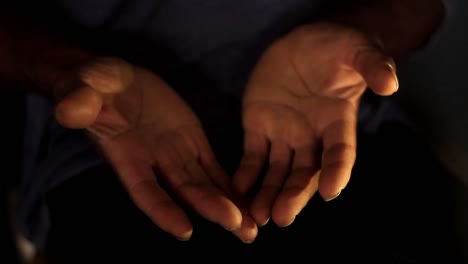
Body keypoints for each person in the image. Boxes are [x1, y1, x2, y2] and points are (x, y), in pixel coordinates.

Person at [1, 0, 464, 262]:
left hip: (338, 127)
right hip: (112, 146)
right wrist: (66, 71)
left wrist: (360, 35)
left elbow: (421, 8)